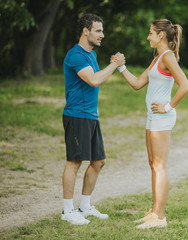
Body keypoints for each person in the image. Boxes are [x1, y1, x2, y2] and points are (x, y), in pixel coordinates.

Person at [114, 19, 188, 229]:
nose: (148, 37)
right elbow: (138, 84)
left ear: (161, 36)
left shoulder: (168, 58)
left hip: (162, 117)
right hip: (152, 117)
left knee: (160, 166)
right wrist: (121, 68)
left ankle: (160, 217)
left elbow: (185, 86)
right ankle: (154, 212)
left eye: (150, 33)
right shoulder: (157, 58)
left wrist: (168, 106)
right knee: (153, 164)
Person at [61, 13, 125, 225]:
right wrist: (115, 65)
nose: (102, 35)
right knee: (75, 161)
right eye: (98, 30)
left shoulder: (92, 56)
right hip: (77, 115)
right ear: (85, 31)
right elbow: (94, 80)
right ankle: (68, 211)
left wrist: (111, 66)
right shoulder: (75, 55)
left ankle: (85, 207)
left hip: (91, 116)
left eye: (102, 30)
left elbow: (97, 80)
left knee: (98, 161)